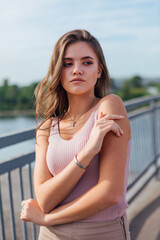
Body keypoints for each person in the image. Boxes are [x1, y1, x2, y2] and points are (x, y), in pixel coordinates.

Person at [20, 29, 131, 240]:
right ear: (58, 71)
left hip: (101, 232)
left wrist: (46, 219)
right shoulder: (46, 127)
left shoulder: (109, 105)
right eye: (67, 63)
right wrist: (88, 152)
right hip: (50, 236)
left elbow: (110, 194)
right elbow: (44, 200)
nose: (77, 70)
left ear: (99, 70)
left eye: (87, 62)